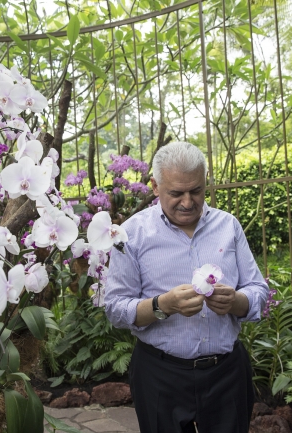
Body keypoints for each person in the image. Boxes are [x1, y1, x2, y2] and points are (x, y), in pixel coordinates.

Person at [104, 141, 269, 433]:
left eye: (197, 191)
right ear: (155, 186)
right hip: (160, 373)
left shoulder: (228, 226)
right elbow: (116, 308)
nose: (188, 201)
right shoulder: (131, 234)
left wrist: (236, 302)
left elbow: (257, 290)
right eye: (176, 193)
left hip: (226, 373)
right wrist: (161, 306)